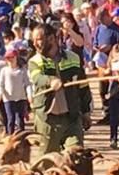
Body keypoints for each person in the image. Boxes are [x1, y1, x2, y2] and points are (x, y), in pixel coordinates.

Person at [28, 24, 92, 154]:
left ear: (51, 38)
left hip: (72, 118)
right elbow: (37, 78)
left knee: (76, 156)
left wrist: (85, 112)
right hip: (48, 120)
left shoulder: (74, 58)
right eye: (33, 40)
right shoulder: (34, 61)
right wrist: (50, 81)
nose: (34, 44)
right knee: (48, 162)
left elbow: (83, 86)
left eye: (38, 39)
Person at [92, 7, 119, 124]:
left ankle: (115, 114)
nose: (101, 22)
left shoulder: (116, 30)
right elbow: (95, 42)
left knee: (113, 89)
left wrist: (111, 48)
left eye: (101, 19)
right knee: (102, 89)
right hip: (101, 62)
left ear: (107, 16)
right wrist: (97, 48)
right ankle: (106, 112)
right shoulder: (99, 28)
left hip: (113, 62)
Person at [0, 48, 30, 134]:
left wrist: (29, 95)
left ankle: (21, 139)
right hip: (8, 99)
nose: (10, 60)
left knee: (20, 120)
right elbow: (0, 84)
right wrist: (0, 93)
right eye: (8, 58)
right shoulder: (4, 71)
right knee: (11, 119)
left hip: (21, 98)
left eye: (12, 57)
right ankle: (10, 137)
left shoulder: (22, 70)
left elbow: (27, 84)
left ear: (16, 57)